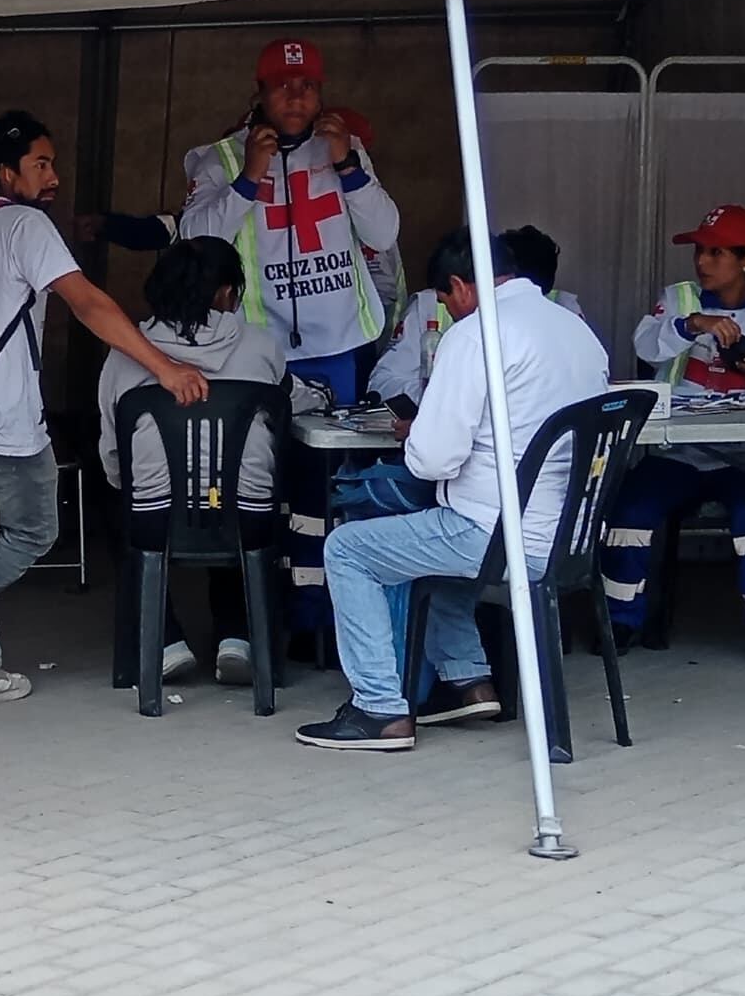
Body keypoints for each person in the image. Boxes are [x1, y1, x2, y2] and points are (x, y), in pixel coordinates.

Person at [0, 111, 213, 709]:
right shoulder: (25, 225)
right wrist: (164, 367)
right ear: (5, 171)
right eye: (41, 164)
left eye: (53, 163)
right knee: (37, 530)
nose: (54, 177)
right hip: (1, 413)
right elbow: (89, 303)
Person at [297, 227, 608, 752]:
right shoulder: (575, 328)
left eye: (445, 298)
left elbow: (432, 460)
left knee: (349, 550)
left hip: (500, 536)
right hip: (569, 538)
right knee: (436, 547)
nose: (448, 308)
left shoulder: (476, 334)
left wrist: (419, 432)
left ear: (461, 286)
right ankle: (470, 683)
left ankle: (379, 709)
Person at [180, 41, 403, 647]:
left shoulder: (344, 151)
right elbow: (193, 241)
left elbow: (384, 231)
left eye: (306, 85)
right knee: (253, 482)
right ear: (259, 93)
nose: (296, 96)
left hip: (337, 347)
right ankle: (253, 621)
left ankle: (316, 622)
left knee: (324, 490)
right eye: (282, 85)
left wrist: (350, 167)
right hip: (256, 351)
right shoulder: (219, 157)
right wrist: (249, 179)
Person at [602, 202, 745, 672]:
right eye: (699, 251)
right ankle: (619, 620)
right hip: (677, 453)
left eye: (716, 253)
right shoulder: (679, 298)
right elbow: (644, 346)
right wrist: (691, 325)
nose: (702, 262)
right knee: (628, 514)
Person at [96, 234, 292, 692]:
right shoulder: (261, 346)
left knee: (115, 501)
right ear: (227, 293)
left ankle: (164, 642)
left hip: (156, 519)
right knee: (225, 492)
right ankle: (238, 638)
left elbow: (111, 456)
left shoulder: (124, 355)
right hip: (248, 517)